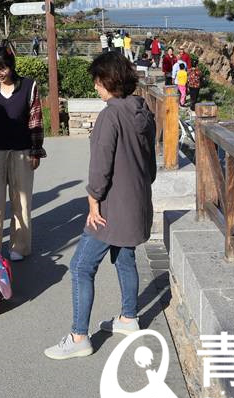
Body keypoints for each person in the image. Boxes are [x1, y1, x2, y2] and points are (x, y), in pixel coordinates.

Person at [44, 52, 156, 360]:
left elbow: (101, 164)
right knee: (125, 259)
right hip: (137, 201)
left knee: (81, 266)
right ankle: (128, 317)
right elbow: (150, 166)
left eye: (97, 81)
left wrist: (93, 198)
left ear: (107, 81)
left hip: (112, 205)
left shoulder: (110, 114)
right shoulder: (143, 112)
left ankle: (79, 336)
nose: (95, 87)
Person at [0, 45, 46, 260]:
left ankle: (19, 247)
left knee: (21, 201)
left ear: (11, 66)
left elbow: (35, 119)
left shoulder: (29, 86)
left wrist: (35, 150)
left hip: (22, 150)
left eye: (2, 68)